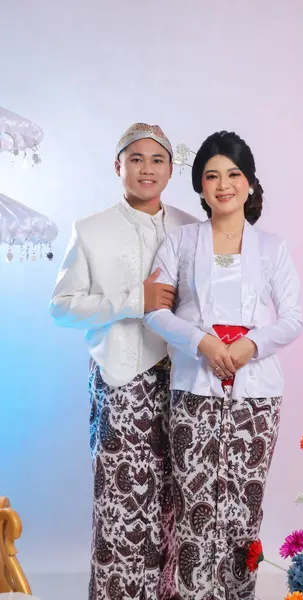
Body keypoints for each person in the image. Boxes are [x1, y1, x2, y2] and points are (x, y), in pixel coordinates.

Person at [144, 130, 303, 600]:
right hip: (194, 387)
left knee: (242, 508)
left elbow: (293, 318)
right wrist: (202, 343)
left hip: (256, 395)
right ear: (200, 187)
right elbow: (155, 310)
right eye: (211, 176)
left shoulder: (273, 248)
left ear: (250, 183)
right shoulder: (181, 241)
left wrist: (251, 346)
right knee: (194, 504)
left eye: (233, 174)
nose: (223, 184)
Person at [50, 123, 198, 600]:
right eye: (136, 159)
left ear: (171, 170)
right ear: (119, 167)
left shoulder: (190, 226)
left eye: (157, 160)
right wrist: (136, 298)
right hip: (121, 382)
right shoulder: (90, 230)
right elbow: (63, 305)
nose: (147, 169)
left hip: (186, 382)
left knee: (179, 499)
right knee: (122, 503)